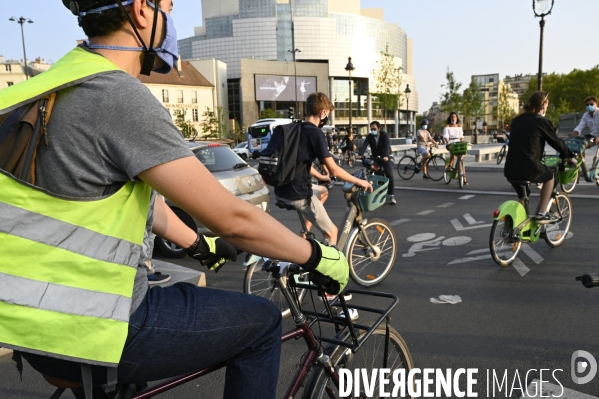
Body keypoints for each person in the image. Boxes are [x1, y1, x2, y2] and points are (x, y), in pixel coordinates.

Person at [0, 2, 350, 398]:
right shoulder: (115, 95)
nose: (169, 20)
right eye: (166, 6)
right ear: (141, 11)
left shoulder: (38, 89)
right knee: (264, 323)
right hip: (95, 325)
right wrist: (315, 256)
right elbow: (233, 218)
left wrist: (196, 242)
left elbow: (134, 201)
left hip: (29, 324)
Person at [275, 92, 372, 246]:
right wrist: (359, 181)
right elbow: (334, 170)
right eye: (328, 114)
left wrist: (320, 177)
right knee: (332, 233)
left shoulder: (296, 129)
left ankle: (304, 235)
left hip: (282, 189)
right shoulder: (315, 132)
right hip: (298, 194)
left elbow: (299, 163)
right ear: (323, 112)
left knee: (323, 191)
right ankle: (327, 269)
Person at [504, 91, 576, 222]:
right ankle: (542, 213)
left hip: (510, 168)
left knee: (523, 195)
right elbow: (556, 142)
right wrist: (569, 156)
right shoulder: (542, 122)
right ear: (543, 105)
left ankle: (515, 226)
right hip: (529, 167)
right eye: (547, 105)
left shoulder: (516, 121)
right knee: (550, 177)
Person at [358, 121, 397, 204]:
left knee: (389, 174)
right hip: (376, 157)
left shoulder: (384, 135)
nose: (372, 131)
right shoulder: (370, 136)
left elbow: (386, 145)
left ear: (379, 129)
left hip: (387, 156)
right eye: (371, 129)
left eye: (374, 129)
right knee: (375, 172)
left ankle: (391, 195)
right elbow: (364, 145)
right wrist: (360, 154)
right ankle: (379, 193)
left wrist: (386, 156)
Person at [443, 112, 467, 185]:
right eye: (452, 117)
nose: (453, 118)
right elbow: (446, 136)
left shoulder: (459, 126)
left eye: (455, 117)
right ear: (450, 118)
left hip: (458, 143)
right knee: (453, 153)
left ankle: (464, 178)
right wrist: (448, 142)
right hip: (450, 142)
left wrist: (462, 142)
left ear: (457, 118)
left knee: (462, 159)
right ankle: (450, 166)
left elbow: (461, 136)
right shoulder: (447, 126)